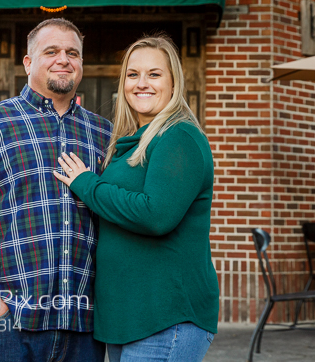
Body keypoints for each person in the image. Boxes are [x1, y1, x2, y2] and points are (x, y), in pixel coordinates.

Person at [0, 18, 111, 362]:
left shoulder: (104, 133)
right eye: (51, 51)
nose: (64, 59)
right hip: (11, 326)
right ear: (28, 63)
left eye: (72, 53)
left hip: (85, 326)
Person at [54, 35, 218, 362]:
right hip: (126, 317)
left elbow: (155, 215)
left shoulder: (178, 137)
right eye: (133, 75)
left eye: (154, 74)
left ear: (174, 84)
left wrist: (87, 184)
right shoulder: (129, 141)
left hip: (165, 316)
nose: (142, 84)